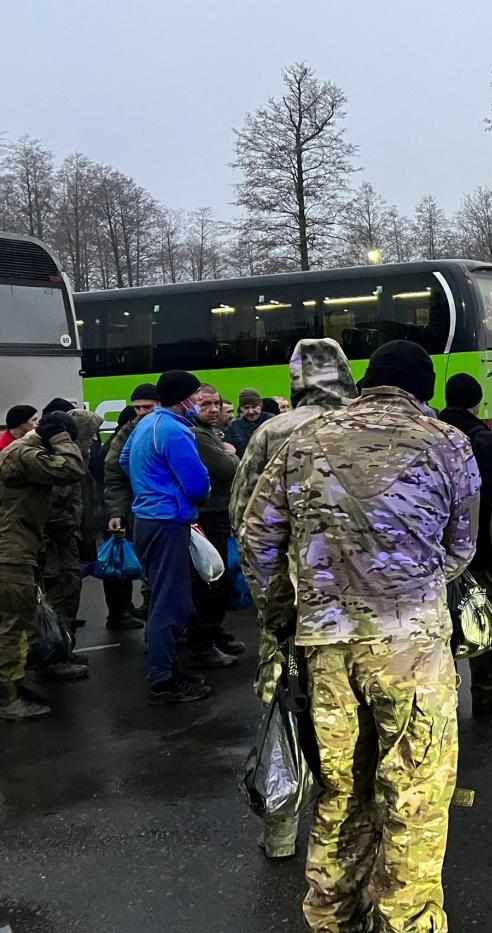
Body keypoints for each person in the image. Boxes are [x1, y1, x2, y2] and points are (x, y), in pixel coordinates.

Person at [241, 339, 480, 930]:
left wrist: (285, 611)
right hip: (412, 646)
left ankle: (331, 916)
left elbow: (256, 536)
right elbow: (461, 545)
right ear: (423, 390)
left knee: (341, 789)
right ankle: (406, 921)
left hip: (325, 643)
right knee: (415, 789)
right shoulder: (448, 443)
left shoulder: (302, 439)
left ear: (367, 380)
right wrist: (413, 584)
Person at [229, 337, 358, 862]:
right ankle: (352, 827)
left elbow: (245, 519)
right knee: (356, 714)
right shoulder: (367, 426)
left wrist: (272, 605)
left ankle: (282, 830)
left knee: (285, 709)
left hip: (293, 597)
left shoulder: (272, 432)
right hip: (362, 602)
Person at [121, 370, 212, 703]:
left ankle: (170, 668)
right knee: (169, 604)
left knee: (166, 597)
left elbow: (124, 458)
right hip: (168, 522)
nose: (199, 401)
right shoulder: (175, 431)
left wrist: (149, 486)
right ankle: (163, 680)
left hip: (146, 520)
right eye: (196, 396)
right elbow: (197, 485)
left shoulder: (145, 424)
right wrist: (171, 492)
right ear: (183, 398)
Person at [437, 371, 492, 716]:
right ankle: (487, 690)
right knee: (477, 616)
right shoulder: (481, 440)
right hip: (475, 549)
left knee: (442, 623)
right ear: (476, 402)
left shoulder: (433, 434)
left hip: (433, 552)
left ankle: (445, 693)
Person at [0, 410, 86, 720]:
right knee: (14, 626)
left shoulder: (21, 453)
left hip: (17, 550)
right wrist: (62, 439)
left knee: (18, 623)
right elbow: (72, 469)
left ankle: (12, 688)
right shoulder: (25, 454)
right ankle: (8, 698)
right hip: (10, 554)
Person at [39, 398, 104, 650]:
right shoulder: (61, 461)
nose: (94, 438)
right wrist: (67, 527)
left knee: (71, 587)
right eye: (91, 432)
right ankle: (54, 652)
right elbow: (55, 504)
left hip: (70, 536)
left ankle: (64, 647)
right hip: (56, 539)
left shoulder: (81, 457)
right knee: (58, 593)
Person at [188, 389, 243, 669]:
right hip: (207, 515)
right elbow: (227, 468)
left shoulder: (210, 433)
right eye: (205, 404)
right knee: (211, 581)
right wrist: (231, 455)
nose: (213, 409)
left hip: (217, 512)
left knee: (216, 581)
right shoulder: (197, 435)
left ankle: (213, 633)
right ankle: (203, 643)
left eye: (216, 404)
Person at [103, 384, 160, 630]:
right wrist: (116, 512)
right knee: (151, 569)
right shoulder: (127, 433)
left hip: (171, 511)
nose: (141, 412)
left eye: (147, 407)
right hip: (142, 512)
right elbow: (114, 475)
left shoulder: (168, 427)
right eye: (137, 407)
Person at [224, 388, 276, 457]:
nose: (251, 411)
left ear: (261, 406)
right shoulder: (233, 426)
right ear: (240, 409)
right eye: (246, 408)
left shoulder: (272, 421)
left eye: (254, 407)